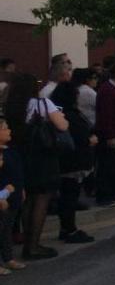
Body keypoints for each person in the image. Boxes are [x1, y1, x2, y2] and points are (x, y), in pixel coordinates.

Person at [5, 73, 69, 259]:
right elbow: (62, 125)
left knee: (27, 200)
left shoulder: (11, 106)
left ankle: (26, 241)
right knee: (42, 199)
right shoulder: (43, 104)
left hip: (20, 155)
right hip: (42, 157)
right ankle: (34, 245)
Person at [50, 82, 96, 243]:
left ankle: (68, 227)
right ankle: (69, 229)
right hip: (73, 162)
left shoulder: (60, 112)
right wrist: (89, 139)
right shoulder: (69, 115)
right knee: (69, 196)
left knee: (69, 196)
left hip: (69, 161)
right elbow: (79, 135)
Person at [94, 64, 115, 205]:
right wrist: (110, 135)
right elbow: (106, 115)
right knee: (108, 165)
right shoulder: (107, 90)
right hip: (110, 134)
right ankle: (105, 195)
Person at [0, 117, 26, 273]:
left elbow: (17, 173)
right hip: (3, 198)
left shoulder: (10, 150)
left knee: (7, 229)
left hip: (13, 196)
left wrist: (21, 189)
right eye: (5, 128)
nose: (9, 131)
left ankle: (8, 258)